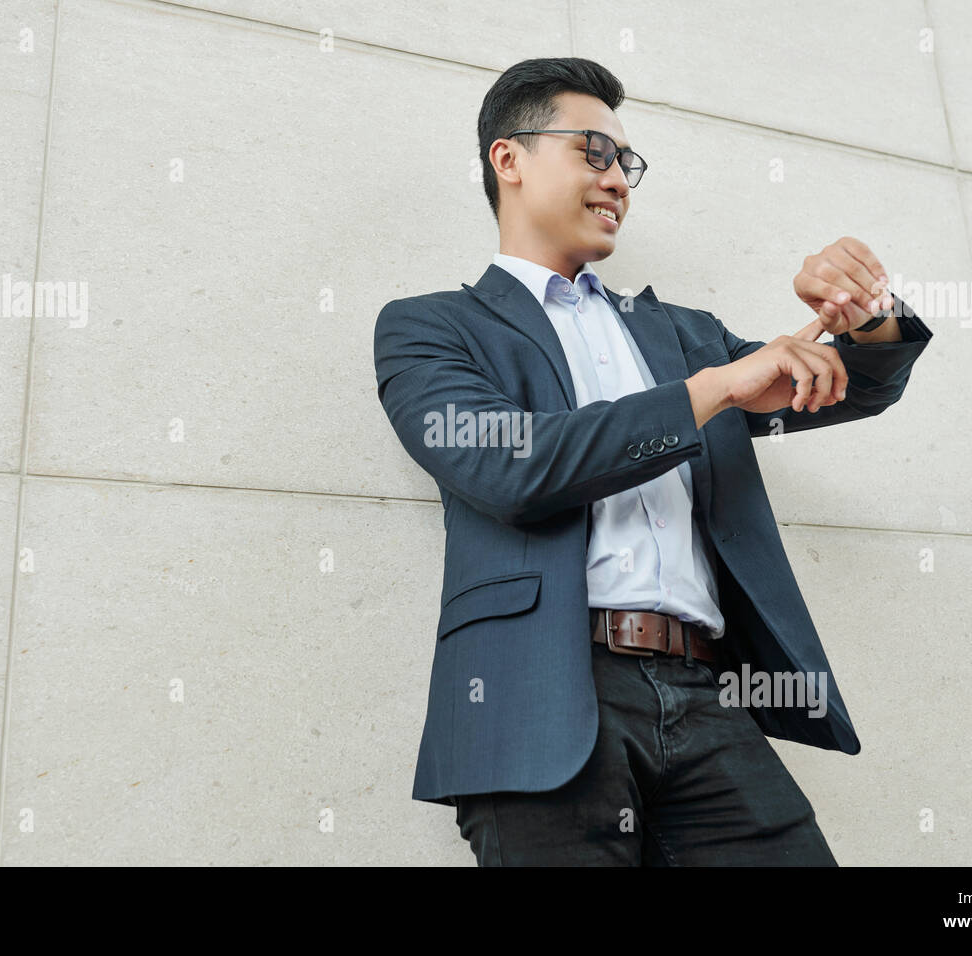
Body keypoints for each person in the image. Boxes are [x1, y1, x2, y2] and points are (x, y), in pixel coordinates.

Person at [372, 57, 933, 865]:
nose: (620, 181)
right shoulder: (430, 328)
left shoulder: (684, 335)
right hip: (542, 701)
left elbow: (856, 388)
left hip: (710, 696)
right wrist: (711, 392)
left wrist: (870, 315)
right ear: (509, 159)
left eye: (627, 164)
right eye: (594, 152)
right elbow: (511, 468)